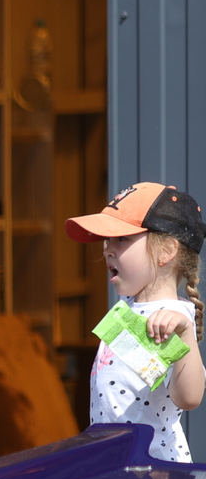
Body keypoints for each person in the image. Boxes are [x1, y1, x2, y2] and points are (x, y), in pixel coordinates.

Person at [65, 182, 205, 463]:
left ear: (166, 251)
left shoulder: (174, 318)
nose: (107, 249)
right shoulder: (128, 307)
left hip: (155, 475)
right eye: (107, 240)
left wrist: (186, 334)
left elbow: (190, 398)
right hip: (116, 465)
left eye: (122, 239)